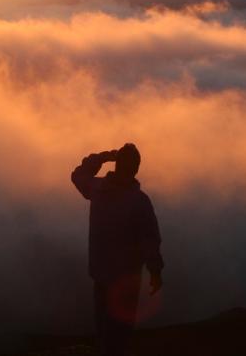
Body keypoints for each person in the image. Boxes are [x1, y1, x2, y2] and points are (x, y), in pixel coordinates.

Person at [71, 143, 163, 356]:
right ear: (136, 168)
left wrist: (104, 157)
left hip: (101, 274)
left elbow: (78, 174)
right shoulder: (139, 201)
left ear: (117, 164)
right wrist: (156, 271)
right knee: (120, 335)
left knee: (104, 331)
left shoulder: (98, 189)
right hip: (127, 280)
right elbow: (150, 240)